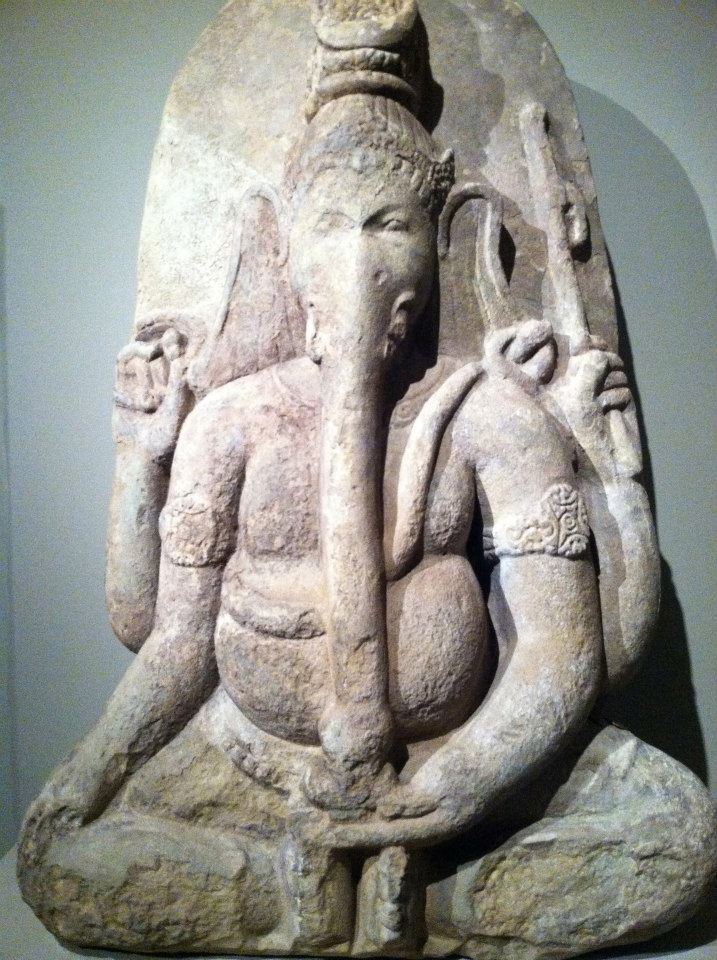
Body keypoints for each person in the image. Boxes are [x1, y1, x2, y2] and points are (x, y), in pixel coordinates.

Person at [17, 68, 715, 960]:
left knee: (678, 833)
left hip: (458, 762)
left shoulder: (489, 416)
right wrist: (85, 780)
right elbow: (173, 642)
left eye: (389, 225)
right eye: (329, 225)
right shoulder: (231, 422)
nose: (358, 259)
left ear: (441, 235)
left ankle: (435, 896)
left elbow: (559, 649)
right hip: (253, 762)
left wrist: (466, 778)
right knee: (57, 860)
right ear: (283, 242)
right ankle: (287, 896)